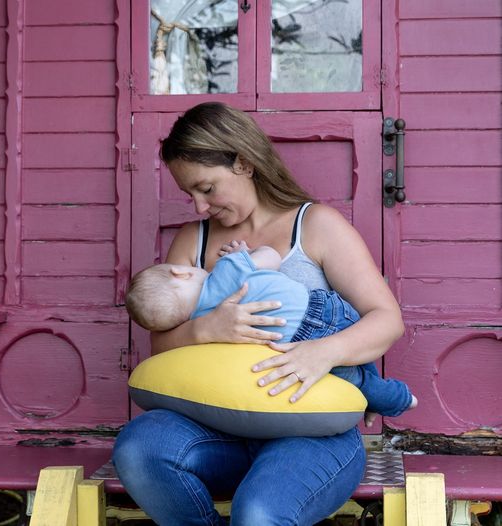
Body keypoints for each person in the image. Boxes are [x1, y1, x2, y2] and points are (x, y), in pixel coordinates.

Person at [113, 101, 407, 526]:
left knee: (258, 514)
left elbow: (386, 320)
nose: (198, 206)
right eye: (189, 194)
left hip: (309, 435)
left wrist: (323, 352)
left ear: (244, 163)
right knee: (138, 450)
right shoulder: (192, 242)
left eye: (207, 188)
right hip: (216, 430)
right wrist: (206, 329)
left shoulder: (316, 226)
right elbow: (159, 349)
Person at [125, 239, 416, 418]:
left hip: (287, 349)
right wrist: (245, 253)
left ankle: (398, 399)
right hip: (319, 314)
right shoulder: (224, 271)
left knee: (357, 383)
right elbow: (272, 258)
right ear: (180, 271)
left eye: (207, 188)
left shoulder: (198, 318)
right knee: (359, 357)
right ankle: (391, 396)